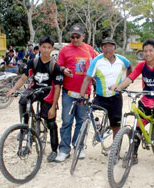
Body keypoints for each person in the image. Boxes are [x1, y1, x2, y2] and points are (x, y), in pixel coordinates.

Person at [110, 39, 154, 166]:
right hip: (146, 100)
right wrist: (120, 87)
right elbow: (130, 77)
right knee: (136, 129)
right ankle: (133, 155)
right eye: (145, 51)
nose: (147, 54)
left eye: (150, 51)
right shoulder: (142, 65)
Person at [7, 36, 63, 162]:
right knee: (23, 99)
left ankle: (54, 150)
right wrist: (14, 89)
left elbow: (58, 88)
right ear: (39, 48)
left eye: (49, 47)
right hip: (35, 89)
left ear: (52, 49)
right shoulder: (33, 62)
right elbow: (23, 78)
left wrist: (53, 107)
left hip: (48, 92)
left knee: (50, 122)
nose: (46, 50)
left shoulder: (55, 66)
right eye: (44, 47)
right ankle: (26, 128)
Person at [55, 24, 97, 162]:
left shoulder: (89, 50)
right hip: (68, 93)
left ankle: (78, 147)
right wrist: (63, 70)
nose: (74, 39)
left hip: (85, 93)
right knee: (66, 121)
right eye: (72, 36)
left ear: (83, 36)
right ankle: (64, 150)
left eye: (77, 36)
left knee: (81, 121)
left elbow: (97, 67)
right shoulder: (64, 49)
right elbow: (59, 66)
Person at [80, 38, 132, 139]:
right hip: (100, 97)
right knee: (89, 114)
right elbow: (87, 79)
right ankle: (98, 125)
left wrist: (126, 83)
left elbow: (129, 67)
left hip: (115, 97)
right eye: (104, 47)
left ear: (115, 48)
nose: (107, 49)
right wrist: (81, 96)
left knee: (116, 126)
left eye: (110, 47)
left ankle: (114, 151)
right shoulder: (97, 61)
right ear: (101, 48)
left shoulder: (121, 59)